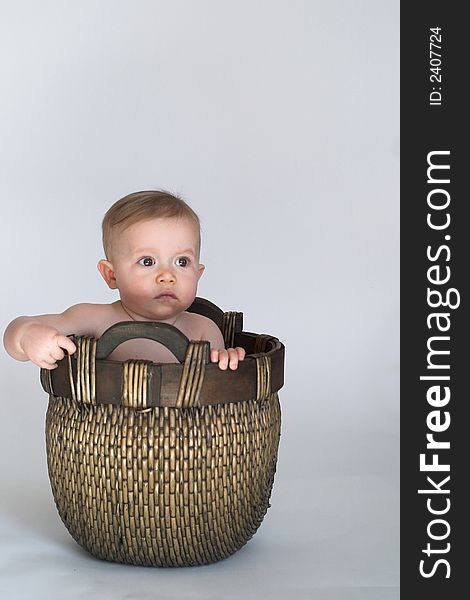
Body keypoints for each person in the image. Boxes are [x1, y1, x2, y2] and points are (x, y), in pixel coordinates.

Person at [3, 190, 246, 371]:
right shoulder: (94, 319)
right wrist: (28, 335)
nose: (167, 276)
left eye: (182, 262)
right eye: (147, 262)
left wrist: (229, 360)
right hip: (109, 435)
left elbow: (216, 390)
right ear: (112, 275)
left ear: (198, 273)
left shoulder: (203, 329)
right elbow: (15, 332)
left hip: (182, 436)